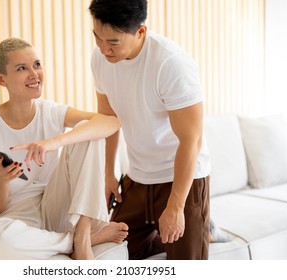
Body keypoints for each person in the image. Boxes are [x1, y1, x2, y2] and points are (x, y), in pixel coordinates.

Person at [0, 37, 128, 260]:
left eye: (37, 65)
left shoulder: (51, 112)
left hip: (51, 205)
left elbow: (111, 121)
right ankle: (80, 240)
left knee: (87, 130)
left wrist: (56, 142)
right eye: (22, 68)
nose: (34, 74)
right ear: (1, 79)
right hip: (10, 216)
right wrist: (2, 182)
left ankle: (82, 232)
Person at [88, 0, 211, 260]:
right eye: (97, 37)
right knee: (118, 249)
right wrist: (108, 173)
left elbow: (192, 140)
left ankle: (199, 230)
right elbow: (108, 118)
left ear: (140, 32)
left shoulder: (171, 63)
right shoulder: (100, 59)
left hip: (180, 178)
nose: (103, 49)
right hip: (138, 176)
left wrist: (176, 207)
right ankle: (196, 231)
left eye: (113, 42)